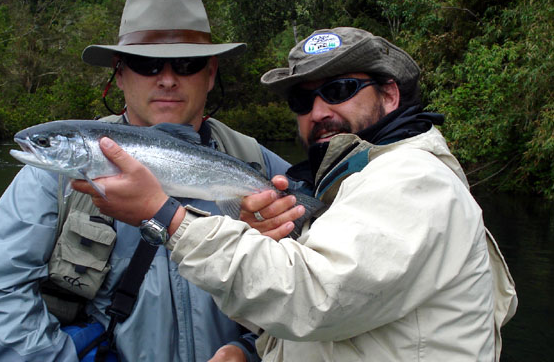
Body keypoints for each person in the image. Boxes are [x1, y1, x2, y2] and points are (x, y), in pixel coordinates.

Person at [72, 27, 518, 361]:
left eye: (339, 90)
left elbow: (313, 299)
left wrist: (166, 217)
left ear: (390, 94)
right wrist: (252, 350)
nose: (319, 112)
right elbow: (328, 318)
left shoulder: (414, 179)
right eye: (302, 101)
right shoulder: (354, 186)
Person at [0, 0, 293, 362]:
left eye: (187, 64)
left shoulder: (260, 164)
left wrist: (250, 350)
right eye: (146, 64)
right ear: (119, 74)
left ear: (211, 73)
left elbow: (320, 291)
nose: (167, 79)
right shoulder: (57, 175)